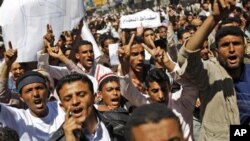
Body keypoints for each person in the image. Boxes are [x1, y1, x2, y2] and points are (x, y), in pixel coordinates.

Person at [177, 0, 241, 140]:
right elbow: (186, 57)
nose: (231, 49)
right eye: (225, 45)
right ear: (216, 50)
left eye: (236, 44)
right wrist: (213, 18)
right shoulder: (210, 71)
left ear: (245, 47)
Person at [49, 73, 126, 141]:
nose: (75, 102)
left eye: (81, 95)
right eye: (68, 99)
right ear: (62, 107)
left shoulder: (121, 122)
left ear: (94, 97)